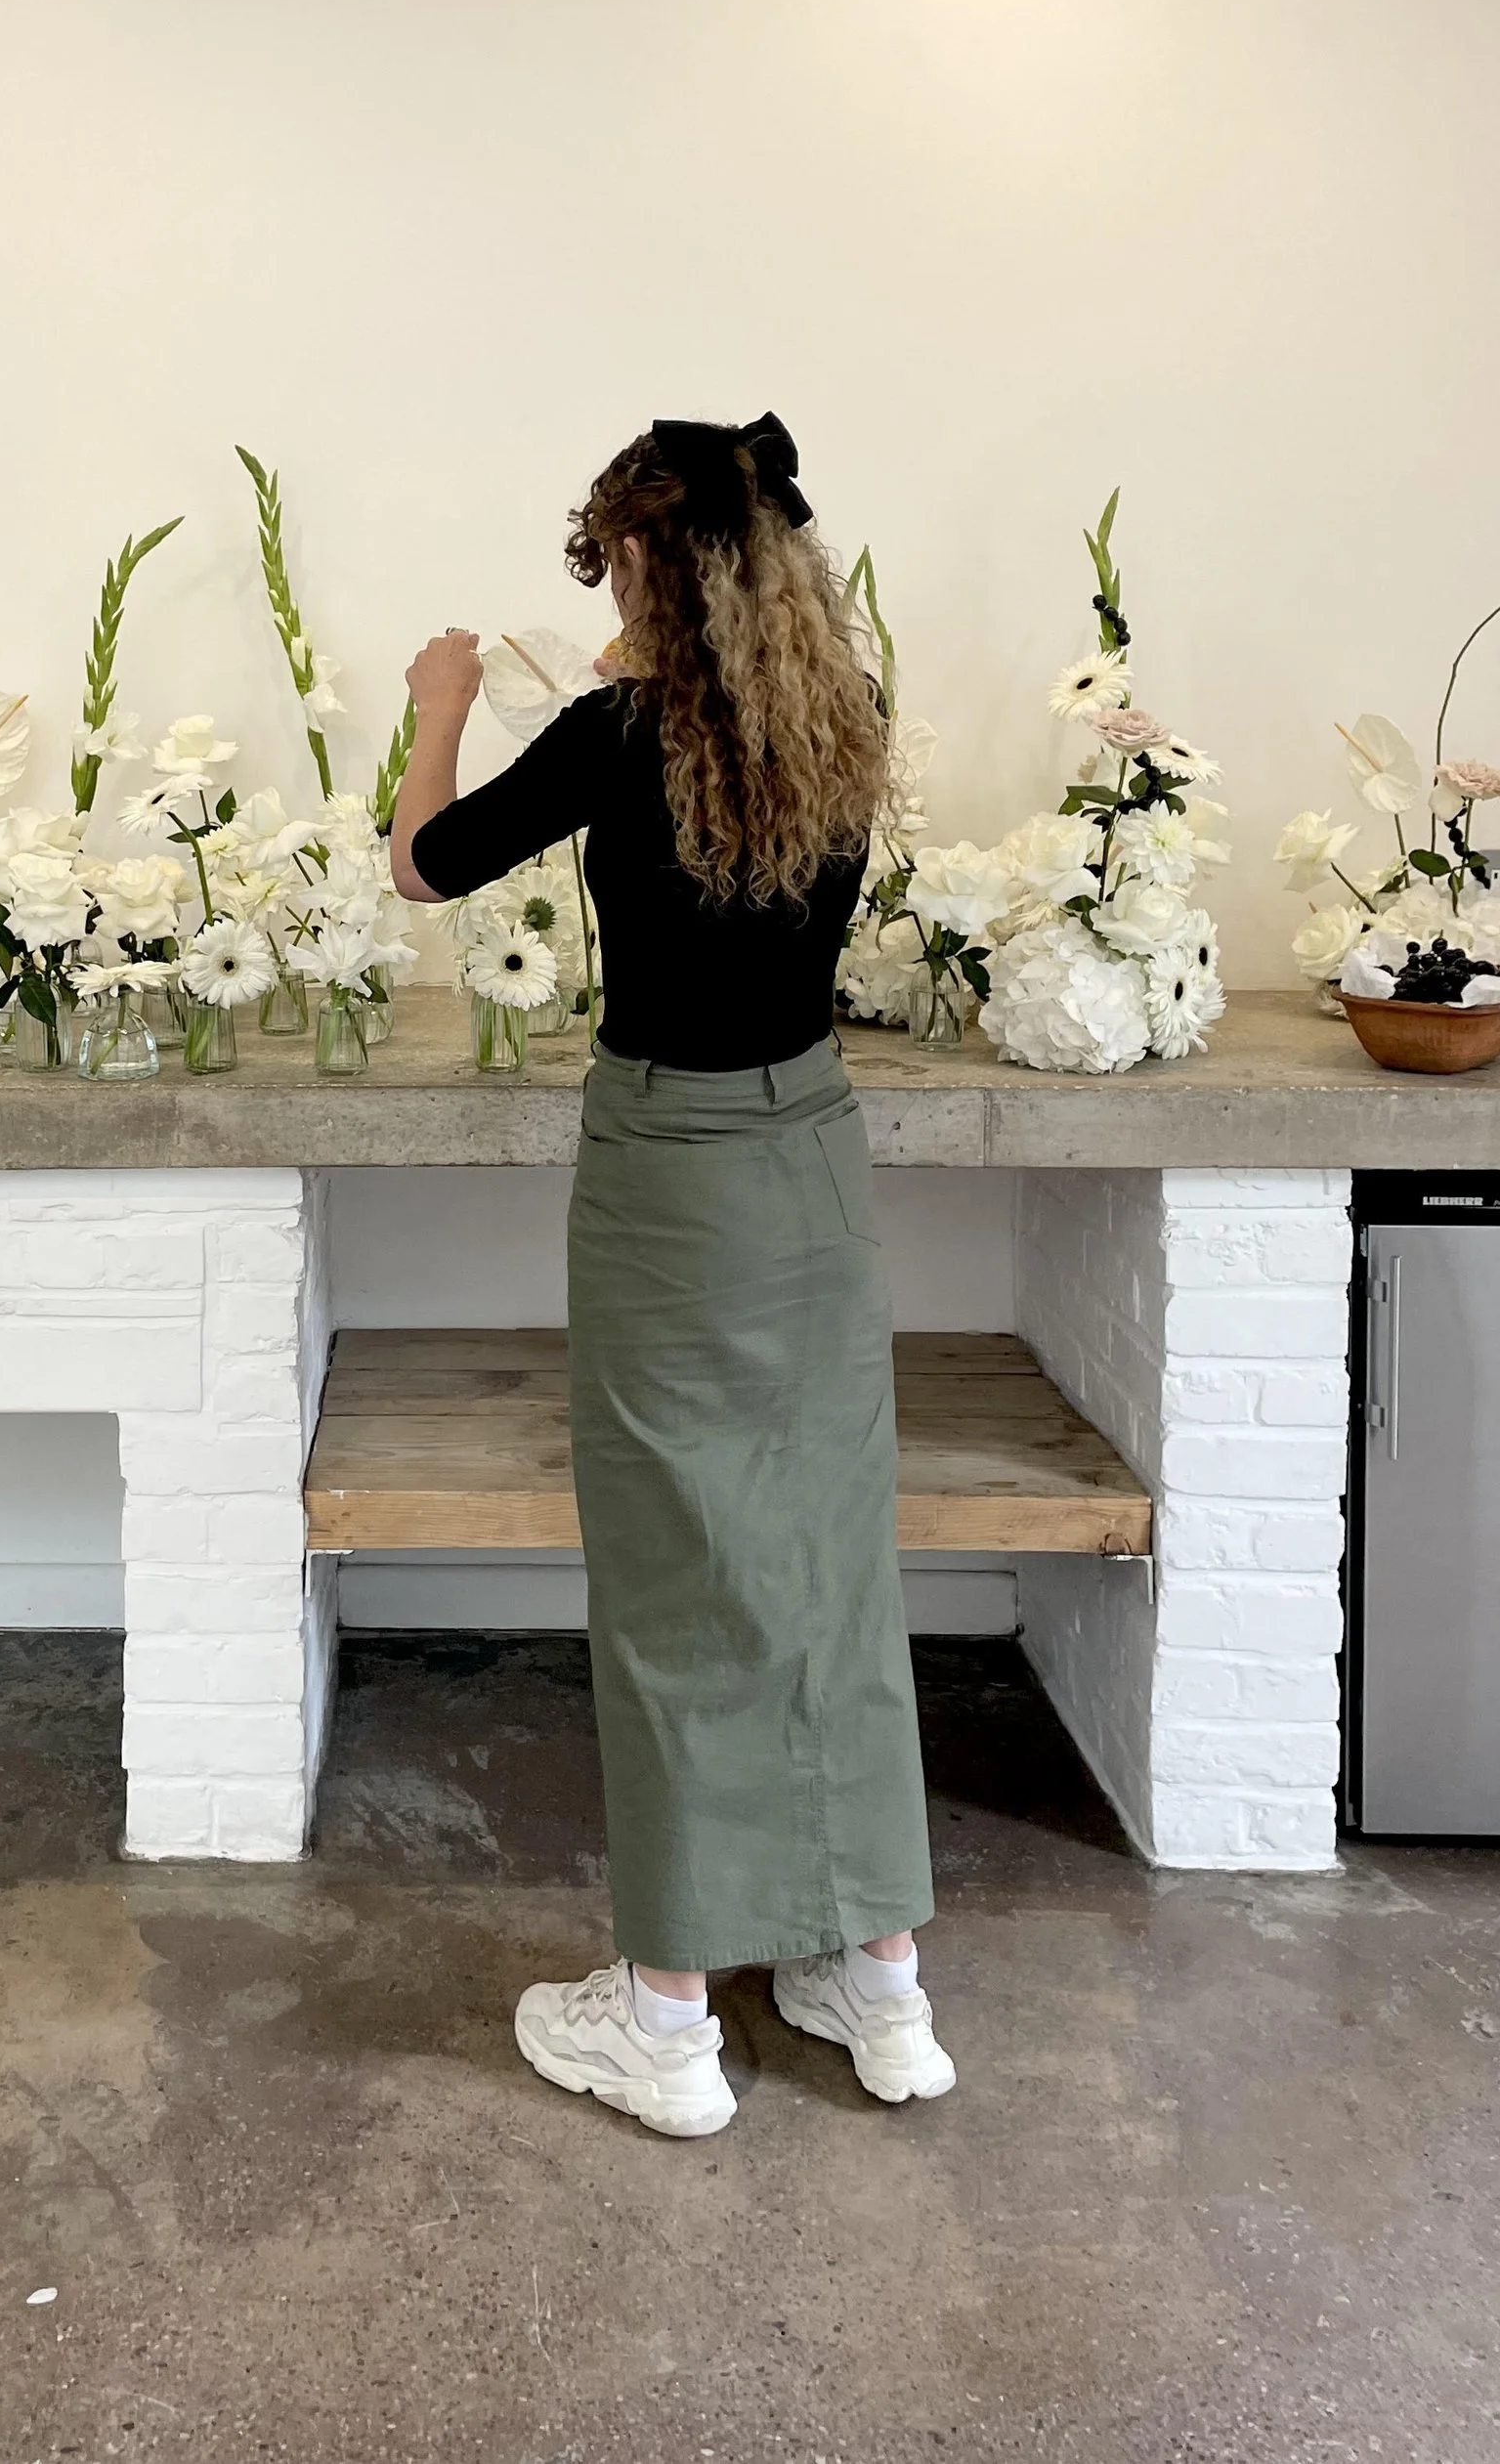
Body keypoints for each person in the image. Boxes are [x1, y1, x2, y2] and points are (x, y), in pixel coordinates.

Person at [390, 412, 954, 2140]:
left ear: (648, 567)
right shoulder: (839, 729)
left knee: (676, 1591)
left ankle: (666, 2019)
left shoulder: (615, 730)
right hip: (813, 1168)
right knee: (828, 1574)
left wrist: (435, 707)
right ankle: (880, 1984)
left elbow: (431, 863)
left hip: (671, 1179)